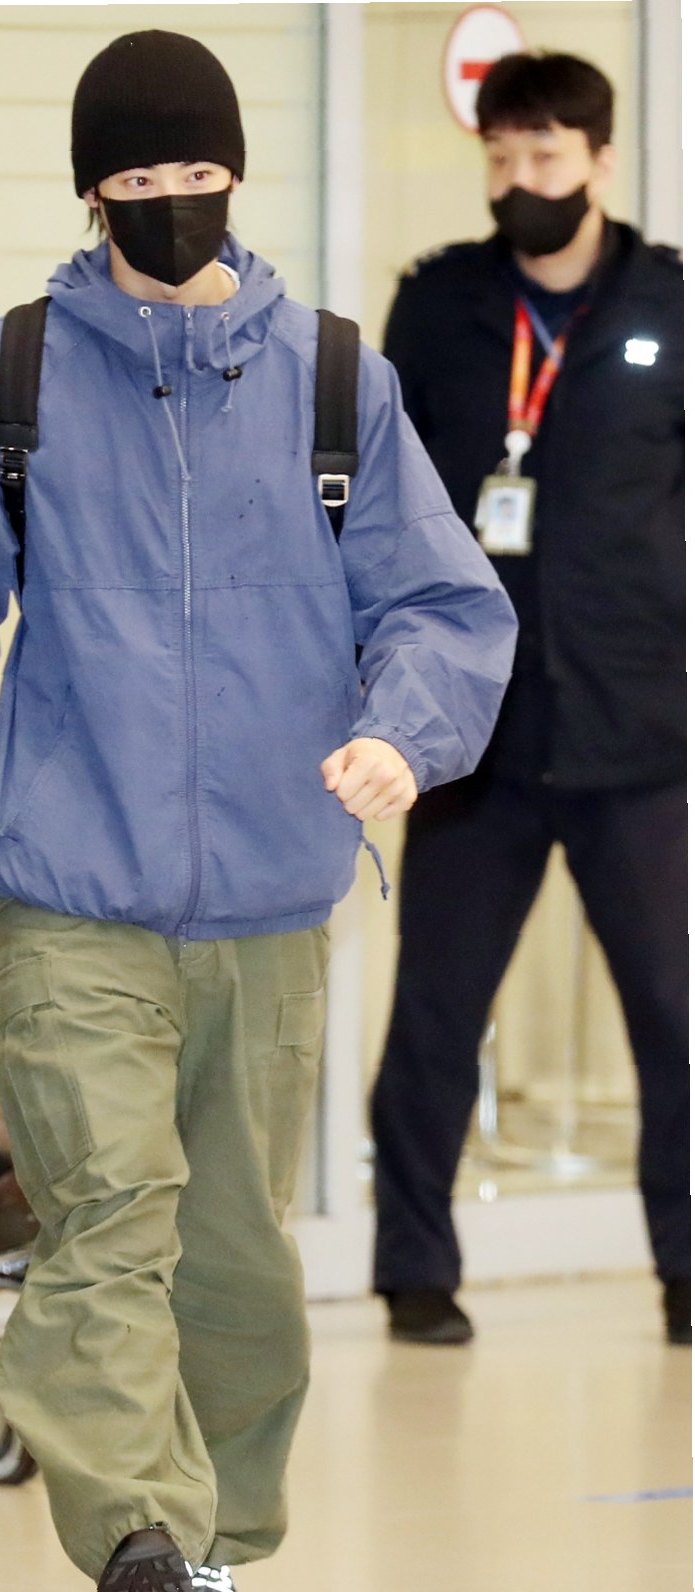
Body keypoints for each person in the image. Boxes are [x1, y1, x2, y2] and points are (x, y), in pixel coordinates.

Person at [0, 29, 516, 1592]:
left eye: (197, 173)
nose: (171, 203)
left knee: (231, 1249)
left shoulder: (332, 380)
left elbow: (444, 605)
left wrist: (403, 734)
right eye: (137, 179)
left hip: (272, 906)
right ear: (92, 193)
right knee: (107, 1219)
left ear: (236, 174)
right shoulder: (11, 375)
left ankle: (213, 1541)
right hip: (72, 892)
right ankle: (141, 1550)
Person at [370, 51, 688, 1349]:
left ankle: (687, 1270)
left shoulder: (669, 303)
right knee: (437, 1012)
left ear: (601, 160)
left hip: (633, 734)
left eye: (545, 156)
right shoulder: (439, 305)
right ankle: (414, 1269)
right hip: (475, 736)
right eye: (501, 158)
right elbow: (387, 505)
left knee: (671, 1019)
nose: (520, 181)